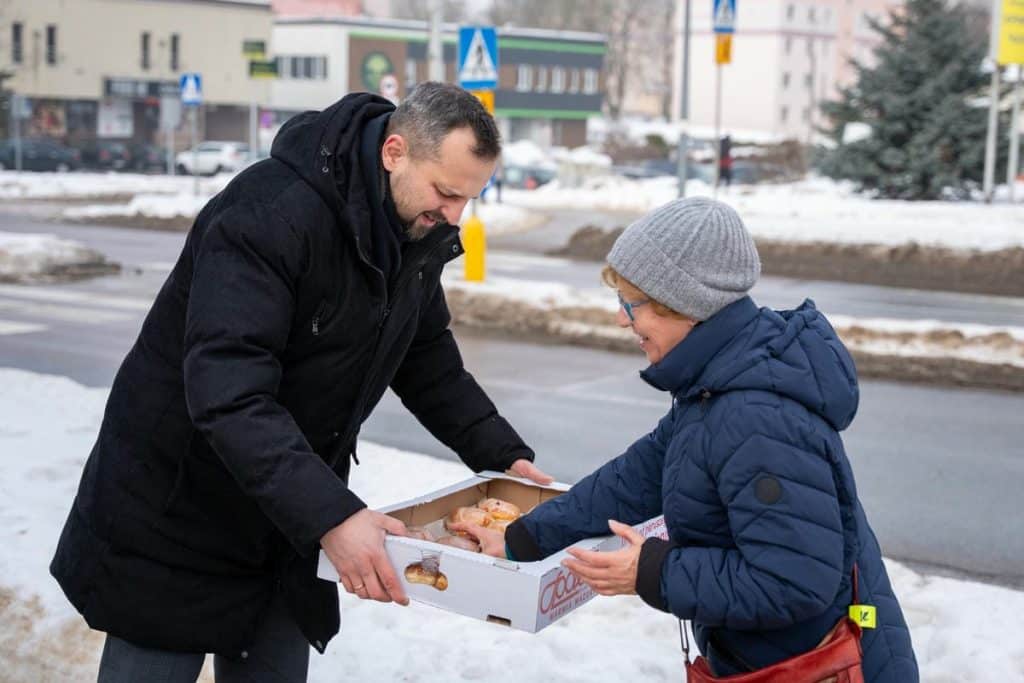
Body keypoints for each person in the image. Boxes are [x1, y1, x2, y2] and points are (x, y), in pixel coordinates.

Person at [50, 82, 551, 682]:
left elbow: (427, 358)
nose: (453, 216)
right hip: (177, 513)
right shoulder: (268, 216)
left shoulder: (410, 232)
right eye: (446, 193)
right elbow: (229, 395)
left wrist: (503, 457)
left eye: (467, 199)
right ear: (394, 152)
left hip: (287, 516)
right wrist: (333, 518)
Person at [454, 198, 918, 682]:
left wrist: (651, 571)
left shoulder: (755, 416)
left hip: (823, 668)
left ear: (684, 306)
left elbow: (792, 581)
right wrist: (521, 539)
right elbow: (632, 479)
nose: (620, 319)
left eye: (630, 304)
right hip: (768, 660)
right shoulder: (717, 386)